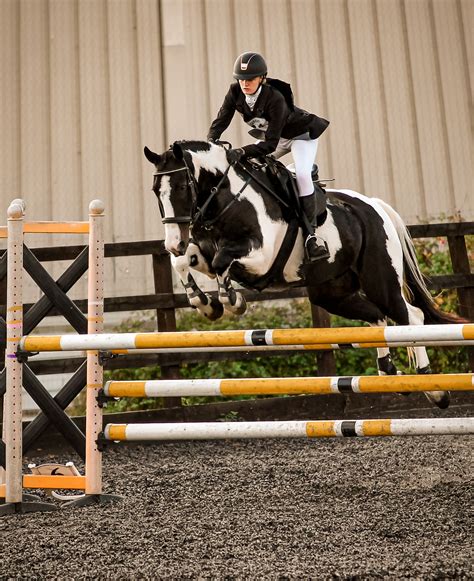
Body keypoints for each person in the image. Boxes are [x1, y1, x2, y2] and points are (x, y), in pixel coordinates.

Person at [207, 51, 330, 261]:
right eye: (242, 79)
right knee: (250, 168)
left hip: (300, 136)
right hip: (277, 137)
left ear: (262, 78)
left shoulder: (275, 98)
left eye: (251, 79)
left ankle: (312, 237)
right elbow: (221, 120)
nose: (245, 83)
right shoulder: (235, 92)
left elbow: (270, 145)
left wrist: (242, 151)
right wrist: (211, 142)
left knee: (301, 175)